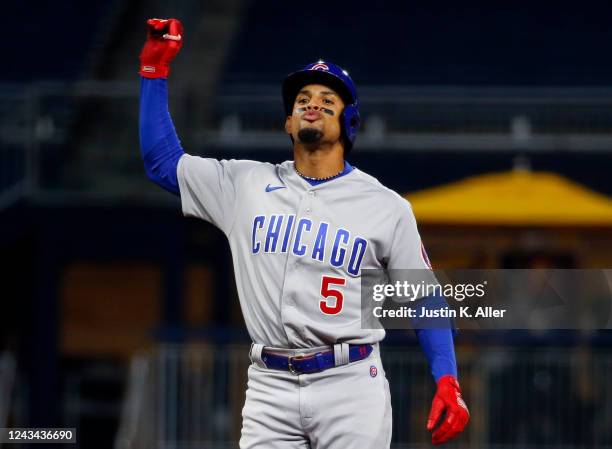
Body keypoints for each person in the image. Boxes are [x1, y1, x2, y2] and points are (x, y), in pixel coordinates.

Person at [138, 18, 469, 448]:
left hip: (351, 386)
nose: (312, 103)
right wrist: (153, 72)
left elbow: (425, 297)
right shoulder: (244, 185)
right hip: (269, 386)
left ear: (349, 121)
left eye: (327, 98)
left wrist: (447, 378)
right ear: (288, 124)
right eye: (302, 99)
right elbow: (162, 162)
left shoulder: (386, 206)